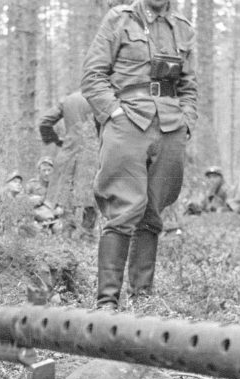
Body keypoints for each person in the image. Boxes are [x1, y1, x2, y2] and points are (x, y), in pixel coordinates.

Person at [82, 0, 198, 309]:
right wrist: (114, 113)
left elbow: (189, 86)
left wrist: (187, 123)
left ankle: (142, 300)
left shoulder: (183, 27)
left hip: (171, 125)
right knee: (123, 208)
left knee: (153, 213)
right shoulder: (119, 19)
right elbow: (93, 77)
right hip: (128, 121)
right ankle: (107, 301)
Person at [39, 90, 99, 240]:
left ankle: (66, 237)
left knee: (66, 196)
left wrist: (56, 140)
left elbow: (44, 122)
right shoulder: (101, 97)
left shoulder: (68, 100)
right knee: (90, 198)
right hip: (92, 153)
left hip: (69, 152)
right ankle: (87, 237)